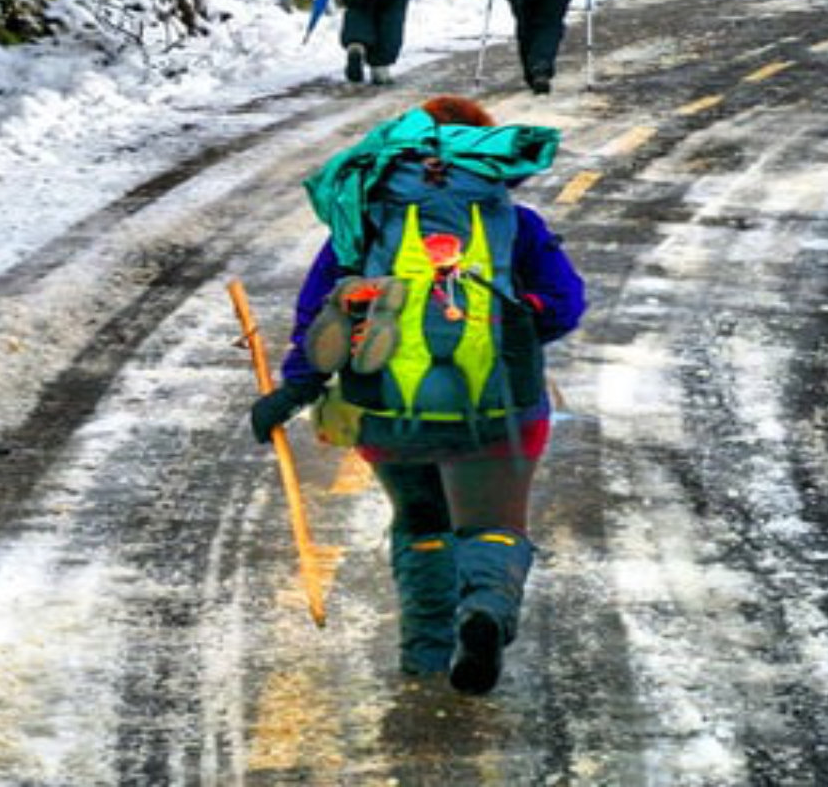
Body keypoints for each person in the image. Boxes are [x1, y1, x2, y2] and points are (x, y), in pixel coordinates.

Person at [248, 95, 585, 694]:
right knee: (490, 524)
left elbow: (318, 317)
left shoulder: (367, 221)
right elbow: (564, 307)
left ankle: (424, 655)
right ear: (483, 157)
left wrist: (294, 390)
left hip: (388, 411)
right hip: (499, 408)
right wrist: (510, 320)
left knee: (420, 519)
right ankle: (484, 608)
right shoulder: (515, 222)